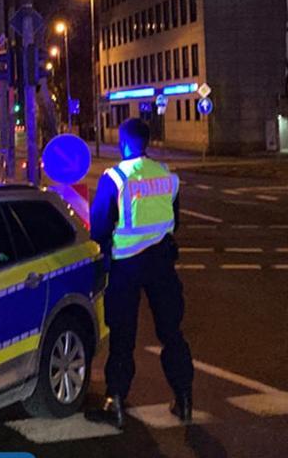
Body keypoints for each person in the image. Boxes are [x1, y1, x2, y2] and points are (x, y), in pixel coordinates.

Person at [85, 118, 194, 429]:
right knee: (172, 333)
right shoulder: (166, 176)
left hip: (126, 265)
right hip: (161, 263)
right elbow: (175, 220)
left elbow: (100, 227)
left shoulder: (115, 178)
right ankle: (184, 398)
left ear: (124, 143)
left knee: (122, 337)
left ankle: (115, 401)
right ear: (146, 143)